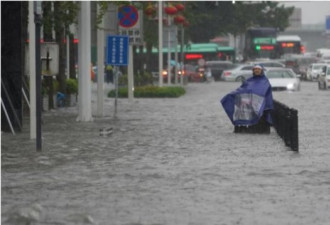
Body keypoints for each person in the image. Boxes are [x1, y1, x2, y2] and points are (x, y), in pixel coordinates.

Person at [221, 65, 273, 133]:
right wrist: (232, 94)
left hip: (262, 109)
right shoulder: (249, 81)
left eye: (258, 69)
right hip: (249, 107)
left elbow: (263, 92)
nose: (256, 71)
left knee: (260, 128)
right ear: (253, 71)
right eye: (255, 69)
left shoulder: (265, 82)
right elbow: (242, 90)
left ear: (261, 71)